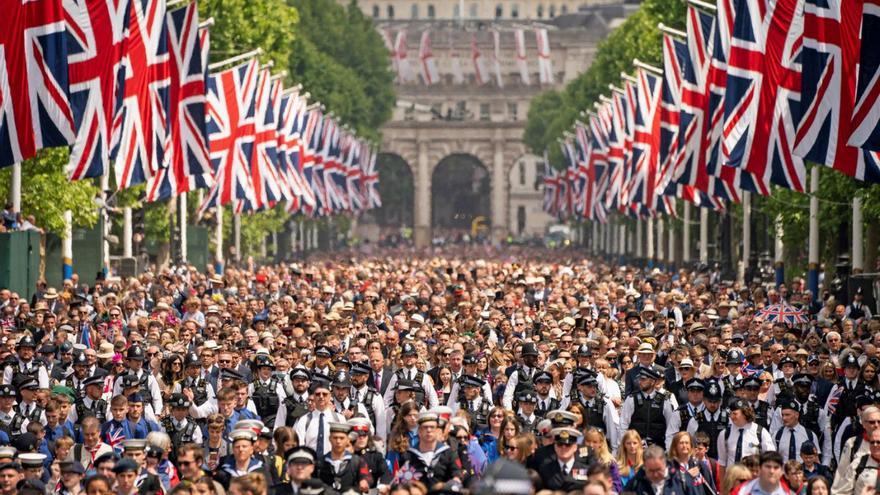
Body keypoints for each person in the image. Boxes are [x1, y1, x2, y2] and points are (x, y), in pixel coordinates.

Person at [393, 412, 461, 486]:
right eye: (425, 427)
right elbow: (402, 481)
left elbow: (457, 477)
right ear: (419, 431)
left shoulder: (448, 453)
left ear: (437, 431)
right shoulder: (409, 456)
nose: (429, 430)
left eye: (432, 427)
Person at [619, 365, 677, 448]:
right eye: (640, 379)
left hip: (658, 447)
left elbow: (670, 428)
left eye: (643, 379)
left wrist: (669, 449)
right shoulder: (631, 399)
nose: (640, 382)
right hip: (636, 447)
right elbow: (623, 425)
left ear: (652, 382)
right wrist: (623, 447)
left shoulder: (664, 400)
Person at [716, 399, 775, 468]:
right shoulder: (725, 434)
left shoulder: (760, 432)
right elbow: (722, 462)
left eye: (735, 414)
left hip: (753, 476)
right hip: (732, 477)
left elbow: (770, 458)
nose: (731, 417)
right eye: (730, 413)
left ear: (745, 413)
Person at [316, 422, 370, 493]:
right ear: (329, 439)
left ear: (348, 440)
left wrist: (364, 481)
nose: (338, 441)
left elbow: (366, 476)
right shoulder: (320, 462)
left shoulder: (357, 461)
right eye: (335, 438)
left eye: (342, 438)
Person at [542, 427, 593, 492]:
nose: (563, 447)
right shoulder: (545, 469)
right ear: (555, 447)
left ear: (575, 447)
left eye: (568, 445)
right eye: (560, 444)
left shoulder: (587, 471)